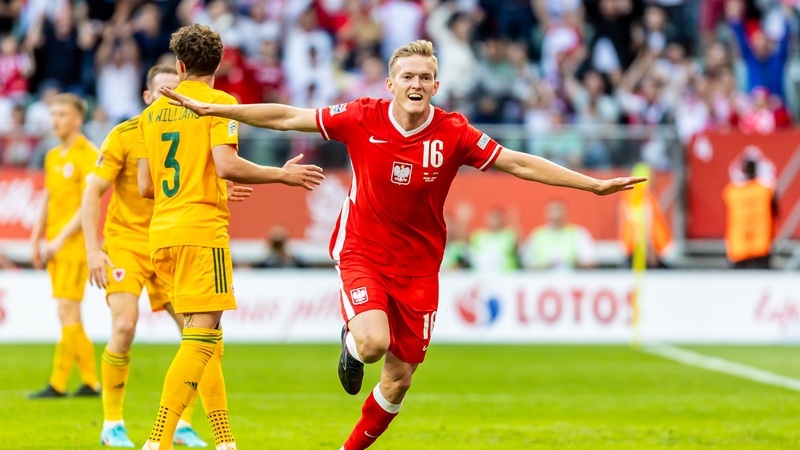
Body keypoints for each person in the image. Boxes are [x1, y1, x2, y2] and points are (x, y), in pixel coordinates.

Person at [159, 39, 644, 450]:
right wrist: (218, 109)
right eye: (407, 76)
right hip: (363, 250)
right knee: (374, 344)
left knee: (398, 379)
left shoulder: (453, 132)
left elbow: (517, 162)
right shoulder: (361, 117)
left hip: (419, 267)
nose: (416, 84)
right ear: (390, 84)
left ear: (436, 85)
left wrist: (591, 185)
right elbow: (288, 117)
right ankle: (353, 342)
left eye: (425, 77)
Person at [137, 24, 323, 450]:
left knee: (208, 340)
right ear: (218, 65)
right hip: (201, 231)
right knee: (200, 340)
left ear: (179, 66)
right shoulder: (220, 103)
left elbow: (147, 186)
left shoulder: (150, 115)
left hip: (162, 233)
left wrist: (211, 184)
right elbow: (227, 165)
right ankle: (158, 439)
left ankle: (224, 439)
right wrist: (281, 175)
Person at [82, 65, 248, 448]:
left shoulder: (196, 124)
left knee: (202, 338)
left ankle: (183, 424)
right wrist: (92, 249)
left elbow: (201, 176)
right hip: (128, 242)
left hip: (169, 240)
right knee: (125, 326)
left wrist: (220, 187)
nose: (172, 97)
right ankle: (112, 424)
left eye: (177, 90)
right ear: (147, 96)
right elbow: (93, 192)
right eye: (163, 91)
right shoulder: (126, 134)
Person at [28, 93, 100, 399]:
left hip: (75, 244)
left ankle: (65, 383)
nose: (55, 120)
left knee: (66, 310)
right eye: (53, 114)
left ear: (77, 120)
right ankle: (86, 383)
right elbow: (47, 198)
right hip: (54, 244)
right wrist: (35, 238)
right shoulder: (52, 156)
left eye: (61, 114)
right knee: (68, 314)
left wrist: (59, 239)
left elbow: (88, 203)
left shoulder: (89, 155)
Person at [722, 158, 776, 269]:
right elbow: (776, 212)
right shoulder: (765, 190)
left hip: (739, 244)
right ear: (756, 170)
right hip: (761, 244)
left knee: (738, 278)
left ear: (743, 170)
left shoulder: (733, 192)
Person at [618, 163, 672, 268]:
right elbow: (642, 226)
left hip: (638, 251)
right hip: (643, 253)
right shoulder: (640, 198)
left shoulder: (631, 196)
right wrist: (650, 253)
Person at [522, 200, 596, 270]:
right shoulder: (537, 234)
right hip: (542, 277)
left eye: (558, 210)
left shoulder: (578, 232)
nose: (556, 214)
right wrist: (544, 266)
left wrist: (571, 264)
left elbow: (589, 260)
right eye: (552, 210)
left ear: (566, 213)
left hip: (572, 277)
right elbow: (526, 261)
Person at [468, 207, 519, 272]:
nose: (494, 220)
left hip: (505, 276)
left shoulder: (508, 235)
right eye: (491, 217)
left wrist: (514, 221)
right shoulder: (477, 236)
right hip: (481, 276)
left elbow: (518, 249)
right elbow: (464, 245)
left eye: (497, 217)